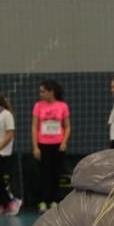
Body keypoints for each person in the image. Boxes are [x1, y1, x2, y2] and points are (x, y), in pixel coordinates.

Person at [32, 78, 71, 213]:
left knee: (56, 173)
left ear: (51, 92)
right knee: (44, 174)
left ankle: (54, 200)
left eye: (43, 91)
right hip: (43, 144)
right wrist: (35, 146)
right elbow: (34, 126)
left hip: (57, 145)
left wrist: (64, 142)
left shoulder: (62, 106)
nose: (40, 94)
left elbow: (67, 126)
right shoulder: (38, 106)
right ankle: (43, 201)